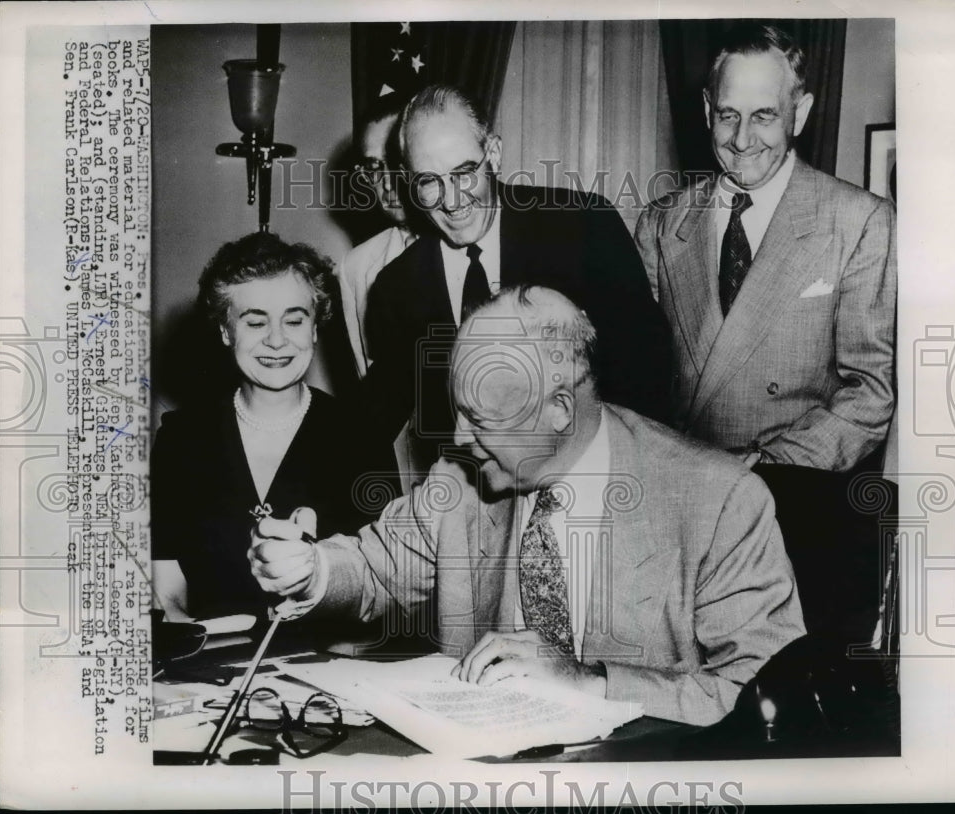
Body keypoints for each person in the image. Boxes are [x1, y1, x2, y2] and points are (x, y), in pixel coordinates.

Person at [249, 285, 805, 726]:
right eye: (457, 411)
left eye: (480, 418)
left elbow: (764, 695)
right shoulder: (460, 481)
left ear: (559, 409)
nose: (458, 437)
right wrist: (312, 569)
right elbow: (375, 567)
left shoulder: (719, 500)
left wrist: (590, 681)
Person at [356, 84, 673, 476]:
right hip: (473, 498)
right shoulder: (397, 288)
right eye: (428, 181)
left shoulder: (584, 228)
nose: (451, 201)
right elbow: (375, 417)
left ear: (493, 153)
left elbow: (649, 378)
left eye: (463, 173)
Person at [635, 23, 896, 472]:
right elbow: (639, 378)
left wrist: (766, 465)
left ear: (800, 113)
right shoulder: (661, 222)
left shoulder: (860, 222)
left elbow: (870, 393)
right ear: (707, 110)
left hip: (790, 486)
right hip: (682, 480)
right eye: (728, 114)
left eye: (763, 116)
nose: (741, 140)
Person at [151, 233, 397, 624]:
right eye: (255, 322)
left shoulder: (363, 437)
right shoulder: (180, 440)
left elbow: (387, 585)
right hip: (209, 659)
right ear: (226, 330)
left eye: (294, 320)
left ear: (314, 328)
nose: (277, 340)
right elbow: (167, 591)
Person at [337, 93, 416, 377]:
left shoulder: (475, 247)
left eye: (398, 160)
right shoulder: (355, 268)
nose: (388, 183)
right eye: (373, 167)